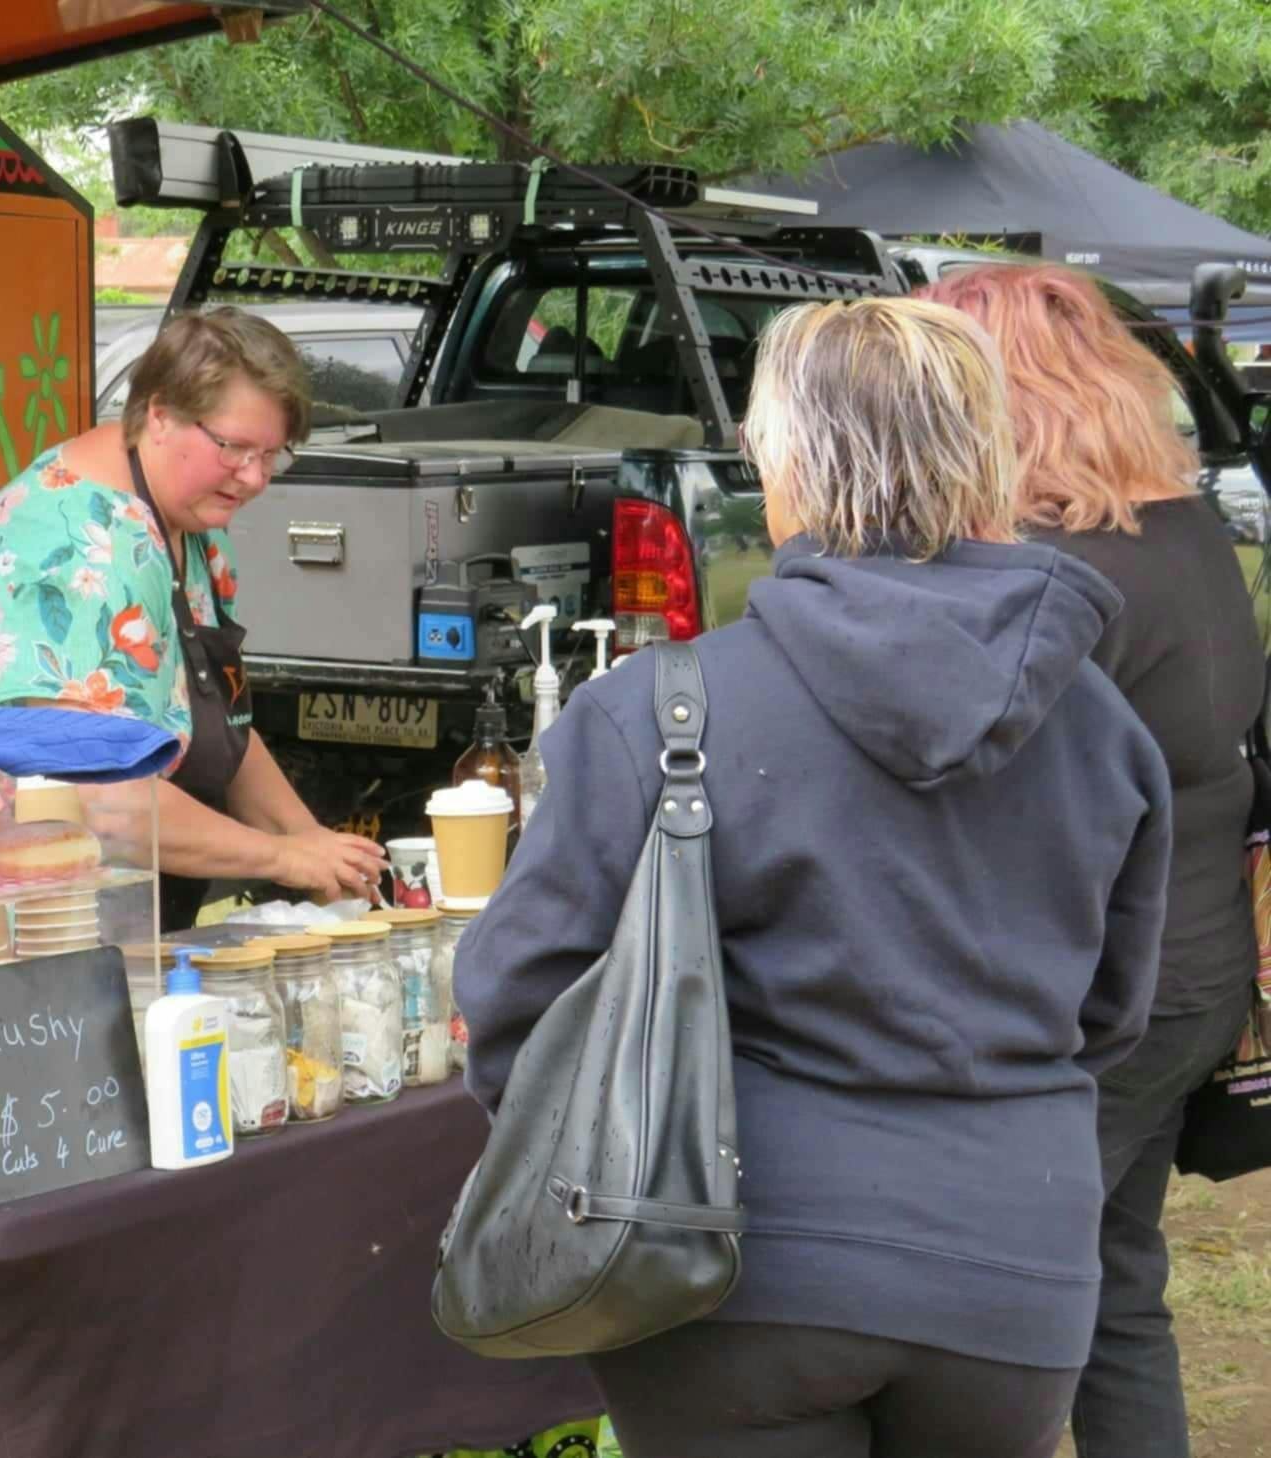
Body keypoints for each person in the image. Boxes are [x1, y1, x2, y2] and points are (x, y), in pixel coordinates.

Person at [453, 296, 1172, 1458]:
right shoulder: (1101, 723)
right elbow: (1111, 1012)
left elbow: (519, 1004)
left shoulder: (652, 710)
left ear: (783, 463)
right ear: (983, 452)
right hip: (1014, 1262)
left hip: (730, 1256)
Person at [923, 263, 1266, 1458]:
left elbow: (970, 795)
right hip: (1186, 975)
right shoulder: (1182, 529)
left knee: (991, 1310)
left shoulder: (1053, 570)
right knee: (1115, 1288)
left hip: (1094, 994)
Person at [0, 307, 386, 929]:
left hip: (103, 897)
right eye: (233, 448)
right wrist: (283, 857)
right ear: (159, 414)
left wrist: (322, 855)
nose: (255, 477)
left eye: (273, 455)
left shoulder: (191, 518)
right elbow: (104, 801)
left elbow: (216, 722)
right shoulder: (77, 547)